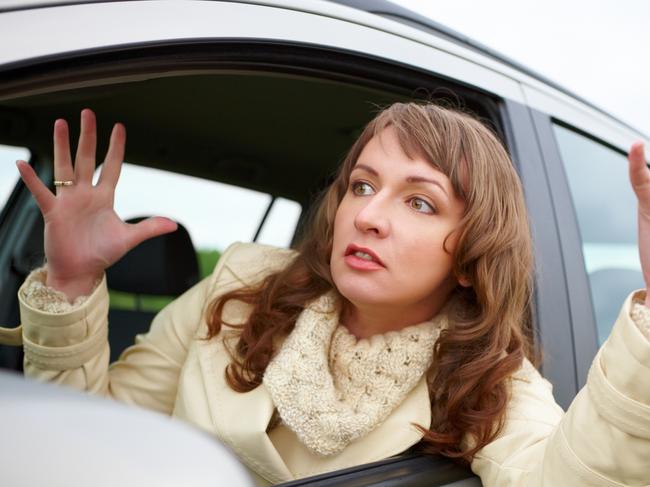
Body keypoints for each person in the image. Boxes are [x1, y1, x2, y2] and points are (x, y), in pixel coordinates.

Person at [6, 103, 650, 486]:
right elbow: (86, 441)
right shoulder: (237, 291)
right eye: (363, 186)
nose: (369, 215)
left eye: (420, 202)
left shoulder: (494, 385)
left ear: (470, 257)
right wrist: (73, 282)